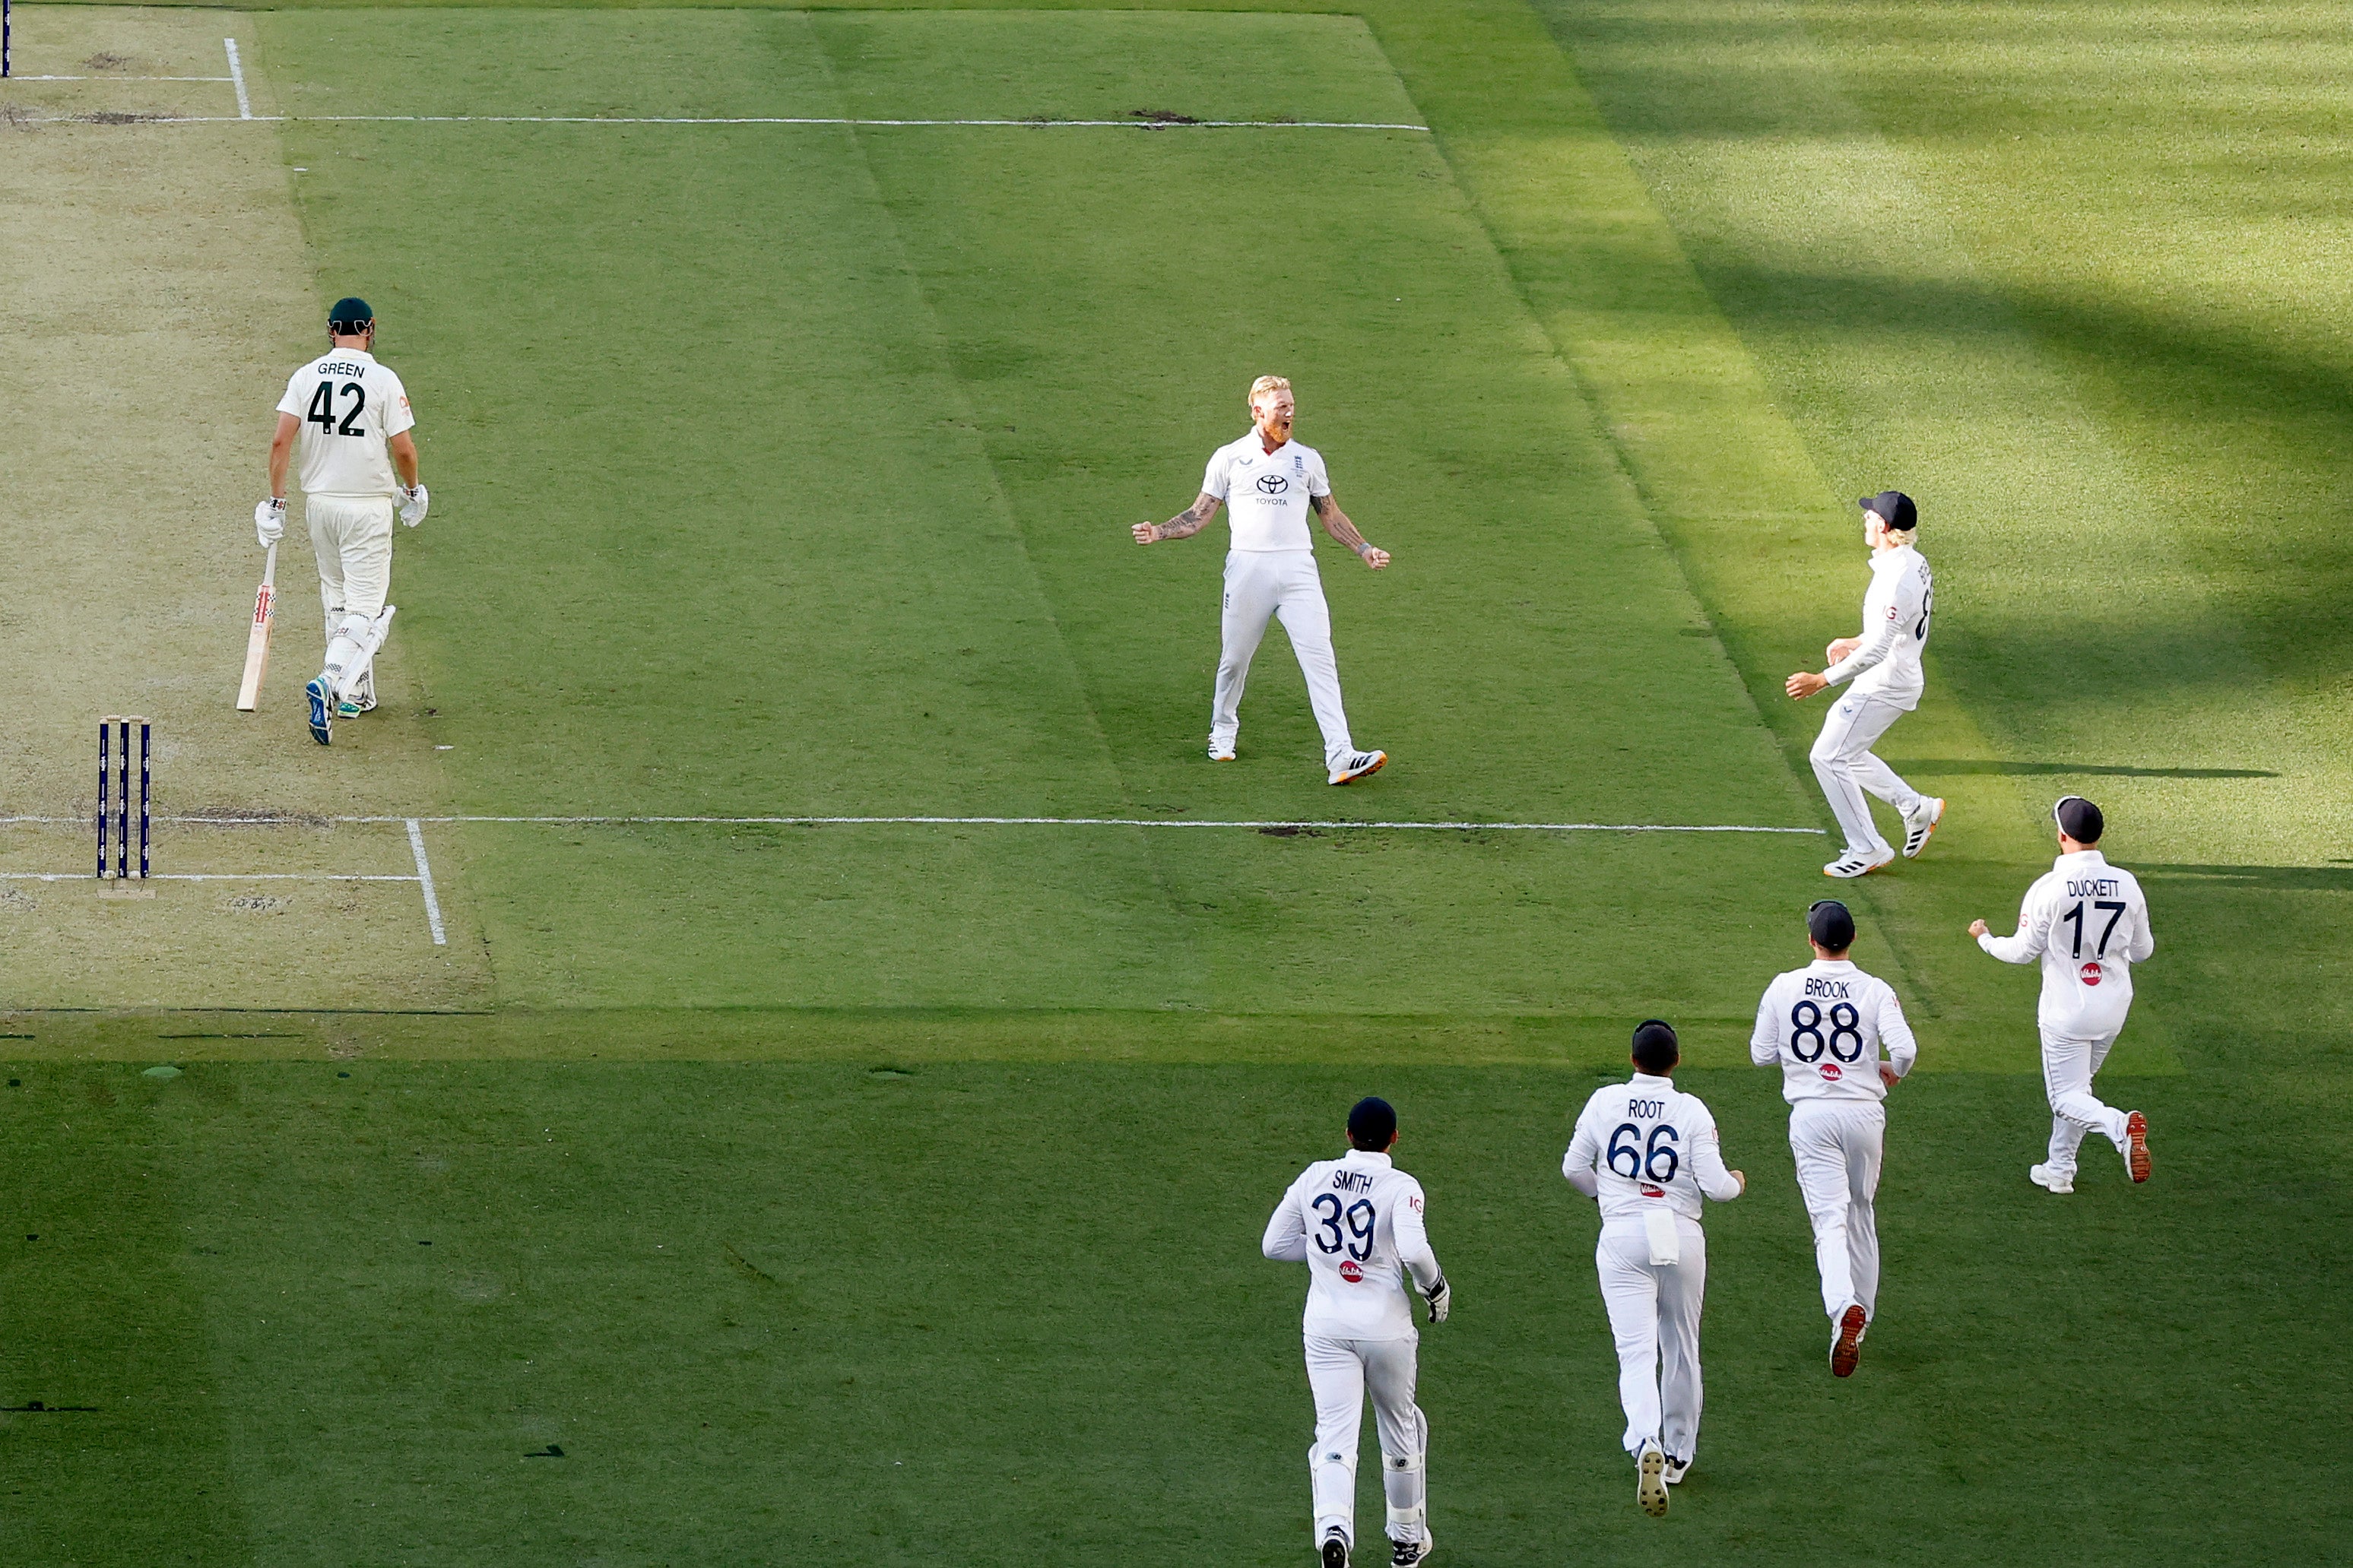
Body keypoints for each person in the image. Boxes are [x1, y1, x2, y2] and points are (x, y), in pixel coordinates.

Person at [1133, 375, 1389, 784]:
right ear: (1257, 412)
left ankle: (1340, 753)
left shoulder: (1308, 460)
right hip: (1248, 569)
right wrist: (1159, 531)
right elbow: (1199, 515)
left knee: (1320, 659)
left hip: (1298, 571)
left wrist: (1363, 549)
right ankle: (1223, 729)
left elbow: (1330, 515)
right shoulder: (1229, 458)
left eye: (1291, 406)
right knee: (1235, 659)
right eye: (1280, 407)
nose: (1289, 413)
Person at [1562, 1022, 1744, 1517]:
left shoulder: (1603, 1101)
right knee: (1681, 1343)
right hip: (1678, 1232)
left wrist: (1607, 1196)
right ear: (1676, 1061)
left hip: (1622, 1234)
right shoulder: (1690, 1109)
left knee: (1635, 1350)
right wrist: (1737, 1181)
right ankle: (1679, 1454)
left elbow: (1573, 1168)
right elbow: (1718, 1187)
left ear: (1631, 1057)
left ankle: (1645, 1436)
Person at [1263, 1095, 1449, 1568]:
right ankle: (1407, 1540)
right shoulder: (1401, 1184)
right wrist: (1436, 1287)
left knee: (1334, 1436)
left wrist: (1328, 1260)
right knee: (1401, 1428)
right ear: (1394, 1139)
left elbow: (1274, 1244)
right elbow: (1413, 1248)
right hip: (1386, 1329)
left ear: (1347, 1135)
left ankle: (1334, 1531)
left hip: (1327, 1328)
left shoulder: (1314, 1176)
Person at [1749, 899, 1917, 1377]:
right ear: (1854, 940)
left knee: (1829, 1220)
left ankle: (1843, 1306)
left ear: (1811, 941)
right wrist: (1891, 1071)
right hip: (1865, 1114)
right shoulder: (1874, 989)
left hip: (1812, 1115)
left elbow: (1761, 1054)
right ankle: (1858, 1323)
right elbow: (1905, 1049)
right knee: (1861, 1213)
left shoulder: (1784, 987)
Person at [258, 297, 427, 745]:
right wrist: (412, 491)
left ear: (331, 330)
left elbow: (280, 443)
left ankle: (356, 692)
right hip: (367, 507)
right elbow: (405, 450)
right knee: (365, 608)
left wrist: (275, 504)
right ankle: (331, 680)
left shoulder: (306, 375)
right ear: (370, 328)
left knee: (335, 595)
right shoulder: (382, 378)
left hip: (321, 506)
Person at [1969, 797, 2155, 1192]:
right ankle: (2060, 1169)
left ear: (2061, 835)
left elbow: (2021, 952)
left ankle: (2119, 1127)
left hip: (2066, 1012)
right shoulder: (2127, 884)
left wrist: (1985, 939)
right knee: (2078, 1090)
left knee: (2065, 1097)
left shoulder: (2048, 888)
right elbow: (2143, 951)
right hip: (2113, 1008)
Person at [1784, 492, 1944, 877]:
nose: (1866, 521)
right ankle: (1915, 807)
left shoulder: (1896, 581)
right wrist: (1855, 640)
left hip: (1885, 684)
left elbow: (1878, 650)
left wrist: (1821, 680)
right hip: (1892, 675)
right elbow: (1892, 632)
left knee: (1827, 756)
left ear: (1886, 529)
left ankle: (1868, 847)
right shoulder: (1912, 562)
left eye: (1871, 516)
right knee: (1848, 754)